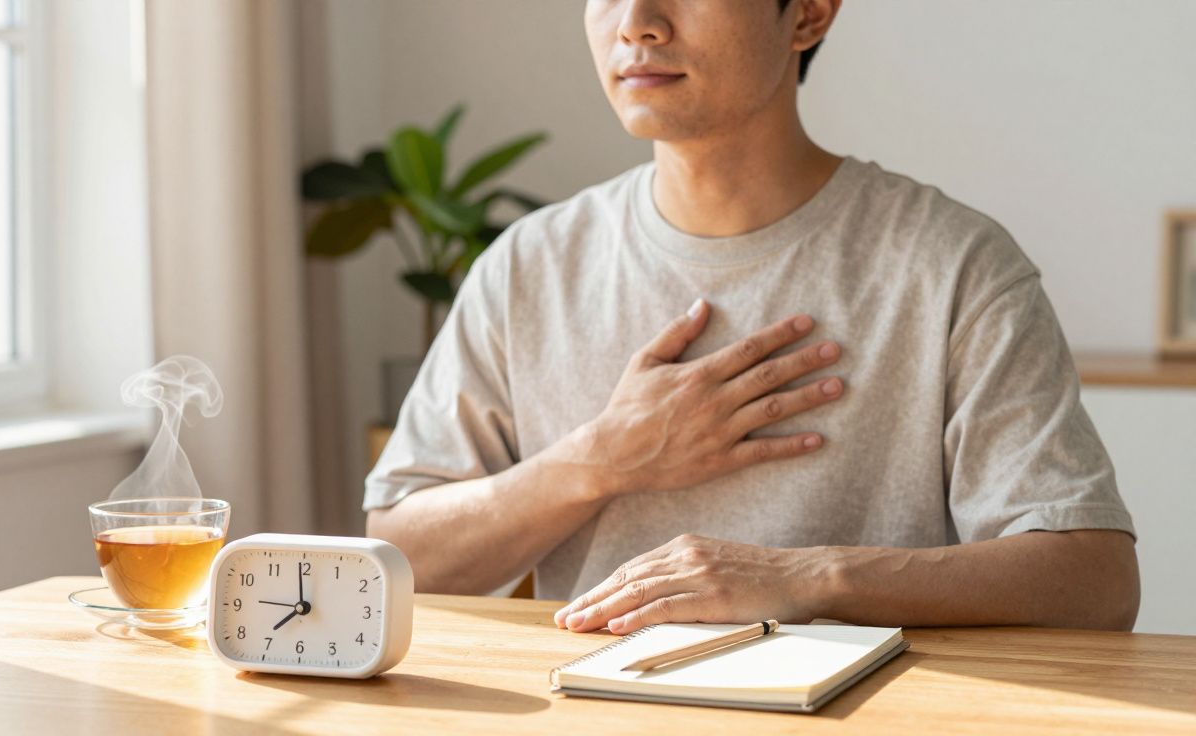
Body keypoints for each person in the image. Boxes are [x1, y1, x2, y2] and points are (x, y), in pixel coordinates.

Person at [364, 0, 1140, 634]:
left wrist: (803, 578)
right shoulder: (527, 266)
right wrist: (601, 459)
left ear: (808, 14)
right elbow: (400, 556)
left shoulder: (953, 265)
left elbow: (1094, 579)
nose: (637, 21)